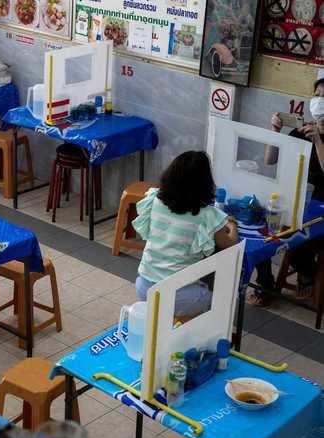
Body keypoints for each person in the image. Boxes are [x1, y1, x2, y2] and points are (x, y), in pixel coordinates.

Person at [133, 151, 240, 317]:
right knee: (220, 298)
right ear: (204, 183)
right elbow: (230, 244)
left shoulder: (155, 199)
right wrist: (232, 225)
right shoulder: (207, 215)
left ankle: (174, 327)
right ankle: (192, 333)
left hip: (144, 287)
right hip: (178, 297)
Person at [251, 78, 324, 305]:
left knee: (300, 243)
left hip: (320, 208)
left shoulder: (314, 135)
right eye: (317, 95)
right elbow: (270, 159)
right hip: (294, 201)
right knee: (258, 229)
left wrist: (319, 140)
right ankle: (265, 283)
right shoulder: (301, 131)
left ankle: (308, 274)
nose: (319, 100)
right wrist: (275, 131)